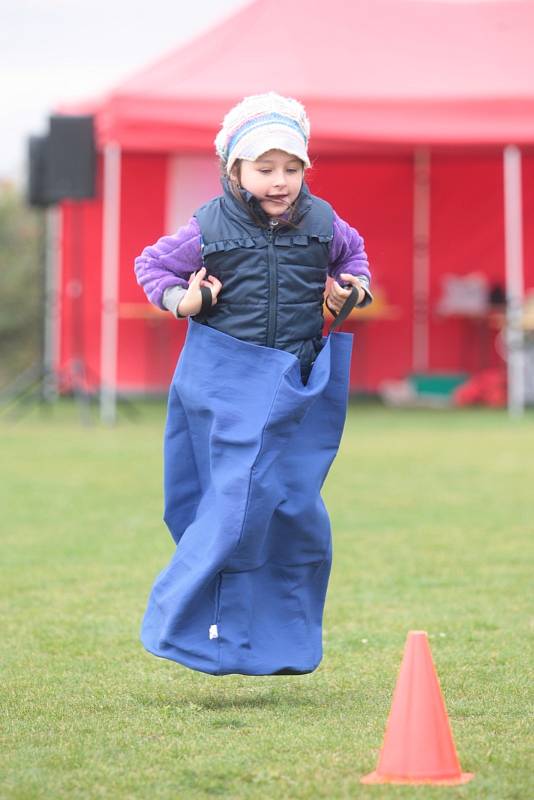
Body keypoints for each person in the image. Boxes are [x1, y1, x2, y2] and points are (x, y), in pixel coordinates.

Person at [135, 92, 373, 677]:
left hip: (295, 380)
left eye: (292, 168)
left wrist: (349, 290)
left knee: (293, 512)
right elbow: (152, 265)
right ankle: (187, 627)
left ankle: (280, 645)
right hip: (225, 380)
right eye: (265, 168)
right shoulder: (206, 226)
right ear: (234, 170)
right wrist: (183, 298)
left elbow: (356, 259)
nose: (281, 180)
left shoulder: (325, 223)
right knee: (230, 506)